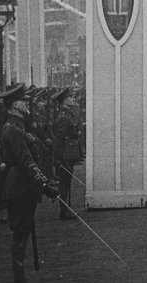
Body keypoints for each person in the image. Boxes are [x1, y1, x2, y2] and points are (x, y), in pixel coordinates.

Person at [0, 85, 57, 283]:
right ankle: (19, 278)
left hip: (24, 187)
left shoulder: (19, 127)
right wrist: (44, 185)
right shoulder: (12, 130)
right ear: (15, 105)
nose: (28, 103)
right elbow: (26, 161)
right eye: (24, 101)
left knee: (22, 231)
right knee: (20, 233)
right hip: (19, 187)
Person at [52, 89, 82, 220]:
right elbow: (59, 140)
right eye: (70, 98)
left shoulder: (67, 114)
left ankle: (66, 208)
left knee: (66, 182)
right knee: (64, 184)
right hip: (65, 155)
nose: (72, 100)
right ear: (64, 101)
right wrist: (58, 159)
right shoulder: (64, 117)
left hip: (68, 154)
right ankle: (64, 210)